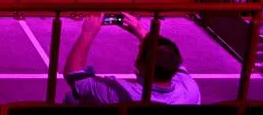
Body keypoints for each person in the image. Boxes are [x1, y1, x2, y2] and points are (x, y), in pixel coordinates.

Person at [64, 14, 200, 105]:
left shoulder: (121, 93)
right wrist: (141, 31)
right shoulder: (190, 90)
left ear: (140, 65)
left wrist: (87, 33)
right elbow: (170, 58)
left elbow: (76, 78)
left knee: (72, 99)